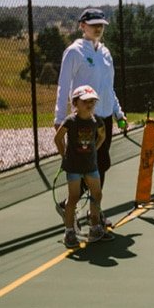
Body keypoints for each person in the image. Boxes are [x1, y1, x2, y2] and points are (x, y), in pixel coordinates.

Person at [54, 8, 127, 228]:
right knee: (83, 165)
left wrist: (119, 113)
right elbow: (63, 85)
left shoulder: (105, 53)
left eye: (101, 24)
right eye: (93, 24)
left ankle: (94, 213)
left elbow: (108, 88)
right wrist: (59, 117)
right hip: (83, 121)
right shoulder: (74, 52)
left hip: (103, 120)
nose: (98, 28)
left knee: (101, 165)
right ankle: (69, 205)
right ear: (82, 26)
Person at [53, 85, 110, 247]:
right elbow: (58, 139)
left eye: (92, 101)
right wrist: (64, 155)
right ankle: (69, 232)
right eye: (85, 101)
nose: (90, 104)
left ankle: (95, 227)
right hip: (73, 167)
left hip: (91, 166)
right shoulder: (71, 121)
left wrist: (94, 150)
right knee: (73, 197)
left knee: (97, 194)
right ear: (75, 103)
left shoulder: (96, 120)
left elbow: (102, 136)